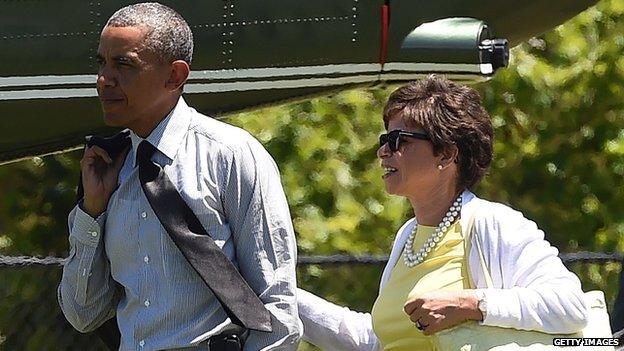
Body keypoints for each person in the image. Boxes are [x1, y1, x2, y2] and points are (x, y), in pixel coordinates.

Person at [58, 3, 301, 350]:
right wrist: (92, 211)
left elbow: (277, 305)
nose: (103, 80)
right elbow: (83, 315)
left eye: (123, 64)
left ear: (175, 75)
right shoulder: (105, 167)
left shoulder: (229, 154)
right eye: (101, 63)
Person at [297, 76, 588, 350]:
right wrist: (281, 293)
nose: (383, 152)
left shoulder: (493, 223)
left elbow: (570, 305)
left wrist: (472, 305)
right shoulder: (407, 236)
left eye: (399, 140)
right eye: (383, 140)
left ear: (447, 154)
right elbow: (377, 341)